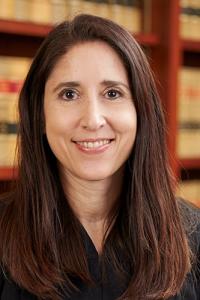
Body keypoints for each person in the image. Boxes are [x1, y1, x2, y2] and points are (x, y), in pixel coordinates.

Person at [0, 14, 199, 300]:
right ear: (38, 115)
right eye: (69, 94)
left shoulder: (193, 235)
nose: (93, 120)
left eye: (113, 93)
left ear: (141, 111)